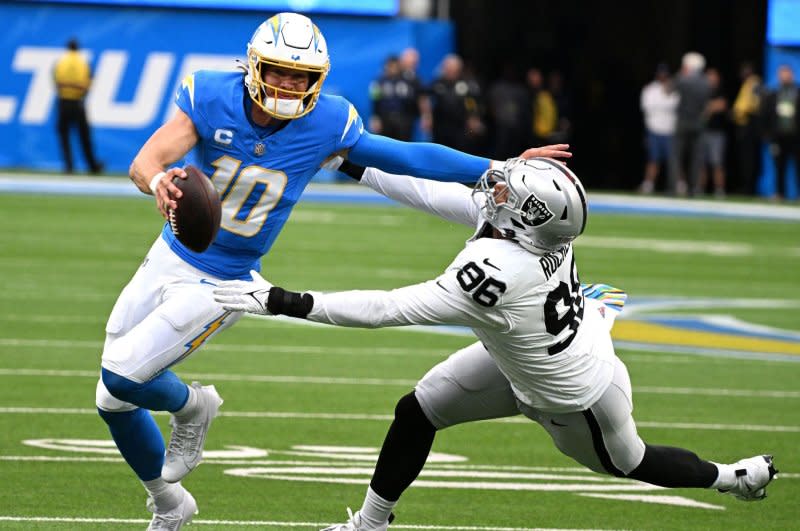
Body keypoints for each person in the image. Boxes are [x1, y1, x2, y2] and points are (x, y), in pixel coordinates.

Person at [95, 12, 559, 531]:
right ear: (253, 66)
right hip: (169, 253)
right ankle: (168, 502)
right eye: (279, 71)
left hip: (226, 281)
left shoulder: (327, 122)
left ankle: (193, 405)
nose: (290, 85)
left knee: (123, 374)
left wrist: (497, 166)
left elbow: (406, 156)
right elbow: (146, 159)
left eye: (302, 76)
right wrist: (157, 179)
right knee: (111, 399)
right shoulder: (209, 94)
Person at [213, 158, 778, 531]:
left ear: (529, 217)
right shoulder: (529, 231)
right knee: (417, 411)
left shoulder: (499, 269)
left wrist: (285, 300)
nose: (497, 187)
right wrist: (351, 163)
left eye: (512, 189)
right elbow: (432, 194)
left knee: (630, 462)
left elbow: (388, 309)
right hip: (520, 357)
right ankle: (369, 524)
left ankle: (732, 478)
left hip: (576, 399)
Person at [53, 38, 103, 174]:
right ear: (78, 48)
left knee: (64, 135)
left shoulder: (61, 62)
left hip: (63, 101)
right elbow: (89, 81)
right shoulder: (82, 62)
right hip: (78, 102)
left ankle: (68, 166)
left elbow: (55, 80)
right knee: (84, 136)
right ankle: (92, 166)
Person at [669, 52, 711, 196]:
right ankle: (694, 188)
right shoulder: (706, 82)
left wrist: (681, 74)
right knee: (696, 158)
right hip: (698, 123)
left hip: (683, 122)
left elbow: (668, 89)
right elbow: (706, 103)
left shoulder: (683, 79)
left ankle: (674, 187)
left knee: (676, 156)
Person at [761, 64, 800, 201]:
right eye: (781, 73)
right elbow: (765, 115)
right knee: (779, 167)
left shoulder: (797, 92)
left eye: (786, 73)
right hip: (778, 136)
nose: (784, 76)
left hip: (796, 136)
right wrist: (768, 135)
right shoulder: (773, 94)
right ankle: (779, 193)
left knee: (798, 166)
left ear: (792, 74)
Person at [637, 64, 678, 194]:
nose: (663, 76)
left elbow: (675, 106)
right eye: (661, 74)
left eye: (665, 74)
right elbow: (647, 108)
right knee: (653, 159)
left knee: (674, 160)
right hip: (654, 129)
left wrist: (667, 94)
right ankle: (648, 184)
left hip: (670, 130)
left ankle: (679, 184)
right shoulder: (649, 90)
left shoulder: (674, 90)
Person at [368, 56, 419, 141]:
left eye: (395, 66)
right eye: (390, 66)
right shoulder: (378, 82)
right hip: (385, 119)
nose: (393, 69)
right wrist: (375, 117)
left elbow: (414, 99)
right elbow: (375, 100)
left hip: (403, 120)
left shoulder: (407, 80)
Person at [732, 63, 762, 195]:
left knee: (749, 158)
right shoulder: (748, 84)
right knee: (745, 158)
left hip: (750, 125)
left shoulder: (754, 83)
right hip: (744, 125)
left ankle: (749, 188)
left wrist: (739, 112)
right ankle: (746, 186)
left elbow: (754, 104)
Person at [698, 67, 728, 197]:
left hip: (717, 133)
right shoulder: (701, 91)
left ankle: (719, 190)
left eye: (713, 77)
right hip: (702, 132)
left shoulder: (721, 91)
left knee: (717, 163)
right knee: (701, 163)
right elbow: (698, 109)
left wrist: (708, 107)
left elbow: (722, 105)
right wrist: (711, 107)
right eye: (709, 77)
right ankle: (699, 188)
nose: (711, 79)